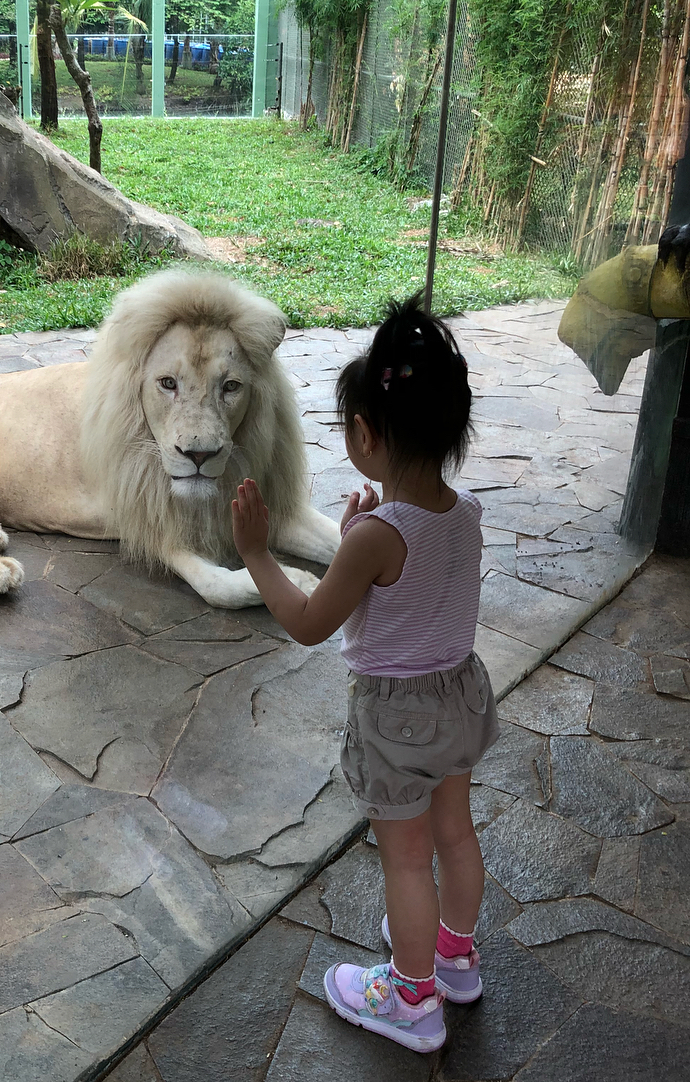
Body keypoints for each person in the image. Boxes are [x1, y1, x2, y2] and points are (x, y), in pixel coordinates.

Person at [231, 295, 499, 1054]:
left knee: (406, 859)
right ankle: (454, 956)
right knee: (453, 834)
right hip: (459, 695)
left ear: (364, 434)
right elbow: (413, 594)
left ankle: (411, 998)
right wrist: (362, 534)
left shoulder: (377, 535)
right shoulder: (467, 512)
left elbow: (312, 623)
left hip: (397, 716)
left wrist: (257, 555)